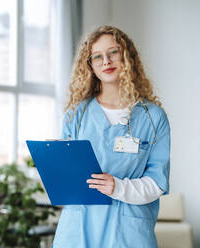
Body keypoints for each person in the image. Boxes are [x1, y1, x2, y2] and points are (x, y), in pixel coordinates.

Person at [53, 25, 170, 248]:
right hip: (78, 230)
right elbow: (67, 183)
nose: (106, 61)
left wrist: (117, 187)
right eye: (97, 57)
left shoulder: (153, 117)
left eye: (113, 52)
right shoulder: (76, 115)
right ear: (90, 66)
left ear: (127, 56)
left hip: (127, 232)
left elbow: (157, 183)